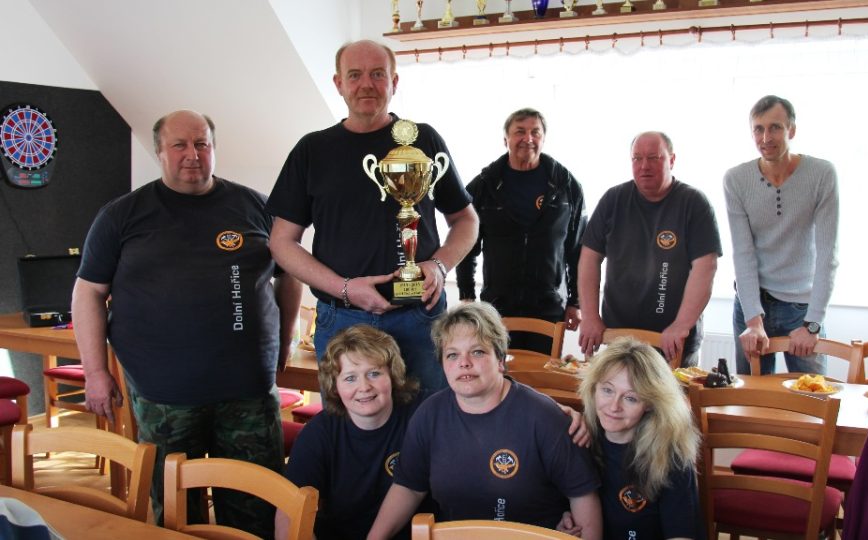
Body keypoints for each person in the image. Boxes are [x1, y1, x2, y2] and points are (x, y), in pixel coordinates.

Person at [73, 110, 299, 537]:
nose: (192, 154)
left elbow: (290, 276)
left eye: (201, 144)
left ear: (214, 148)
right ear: (159, 151)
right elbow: (88, 293)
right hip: (164, 398)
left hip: (248, 393)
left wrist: (285, 337)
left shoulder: (256, 207)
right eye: (179, 145)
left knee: (255, 511)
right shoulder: (122, 215)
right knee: (178, 517)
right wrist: (95, 372)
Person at [266, 39, 478, 396]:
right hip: (342, 318)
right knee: (347, 425)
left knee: (426, 422)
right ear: (339, 84)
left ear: (394, 82)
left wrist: (439, 266)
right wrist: (345, 288)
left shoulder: (424, 140)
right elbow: (281, 242)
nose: (366, 84)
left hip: (420, 315)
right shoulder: (311, 150)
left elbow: (467, 220)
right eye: (355, 75)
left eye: (378, 74)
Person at [366, 302, 602, 539]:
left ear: (501, 360)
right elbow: (408, 488)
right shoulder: (429, 414)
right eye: (452, 355)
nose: (464, 362)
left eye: (477, 351)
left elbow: (582, 496)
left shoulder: (545, 417)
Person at [578, 132, 721, 367]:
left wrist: (681, 325)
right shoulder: (613, 199)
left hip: (673, 342)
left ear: (671, 160)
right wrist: (590, 316)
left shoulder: (694, 203)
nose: (644, 166)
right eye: (637, 158)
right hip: (619, 339)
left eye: (654, 158)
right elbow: (589, 258)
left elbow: (706, 267)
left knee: (673, 393)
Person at [724, 95, 839, 375]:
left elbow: (828, 255)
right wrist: (753, 320)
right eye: (758, 129)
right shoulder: (736, 179)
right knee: (751, 395)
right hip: (752, 304)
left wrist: (813, 324)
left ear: (792, 130)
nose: (766, 138)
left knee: (812, 394)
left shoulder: (821, 174)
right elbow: (743, 253)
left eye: (775, 127)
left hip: (802, 308)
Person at [456, 108, 586, 355]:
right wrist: (467, 296)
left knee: (543, 373)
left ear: (543, 138)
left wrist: (575, 302)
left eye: (535, 132)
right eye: (520, 132)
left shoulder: (567, 186)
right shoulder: (484, 185)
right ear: (505, 139)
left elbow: (577, 249)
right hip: (497, 308)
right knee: (498, 372)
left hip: (549, 308)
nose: (528, 138)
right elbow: (466, 244)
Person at [279, 324, 424, 539]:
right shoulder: (318, 433)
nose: (364, 387)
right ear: (334, 386)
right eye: (350, 378)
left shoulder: (422, 418)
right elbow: (288, 514)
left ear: (392, 376)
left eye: (374, 373)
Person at [565, 337, 703, 540]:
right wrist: (564, 517)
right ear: (593, 389)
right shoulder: (579, 438)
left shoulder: (670, 458)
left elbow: (681, 536)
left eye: (630, 398)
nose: (614, 407)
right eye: (607, 390)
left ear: (650, 403)